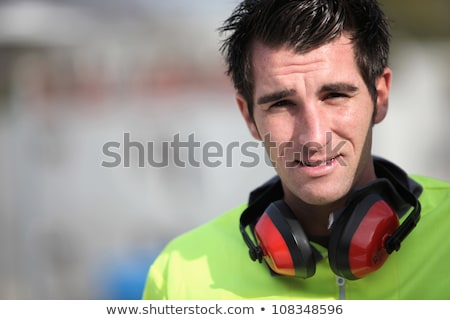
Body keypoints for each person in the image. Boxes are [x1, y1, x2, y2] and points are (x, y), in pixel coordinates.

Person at [142, 0, 450, 299]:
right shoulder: (181, 277)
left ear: (380, 97)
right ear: (249, 117)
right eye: (281, 104)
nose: (313, 137)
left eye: (335, 95)